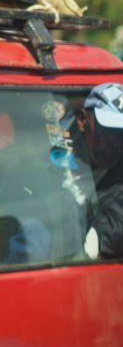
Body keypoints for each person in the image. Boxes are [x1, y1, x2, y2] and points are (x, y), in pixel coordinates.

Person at [78, 82, 123, 259]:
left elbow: (111, 231)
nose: (115, 143)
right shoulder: (54, 152)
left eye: (121, 135)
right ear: (82, 120)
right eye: (107, 132)